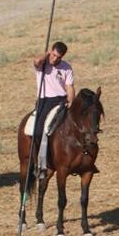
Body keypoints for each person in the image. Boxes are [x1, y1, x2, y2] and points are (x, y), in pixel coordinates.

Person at [28, 41, 75, 177]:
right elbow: (36, 61)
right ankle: (38, 162)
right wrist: (47, 54)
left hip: (61, 99)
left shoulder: (66, 67)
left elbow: (70, 86)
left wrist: (71, 100)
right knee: (37, 132)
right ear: (51, 51)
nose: (55, 59)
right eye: (53, 55)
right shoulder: (43, 64)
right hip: (45, 100)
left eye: (58, 57)